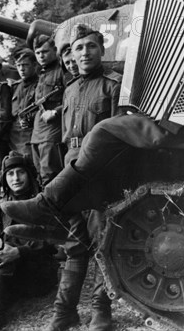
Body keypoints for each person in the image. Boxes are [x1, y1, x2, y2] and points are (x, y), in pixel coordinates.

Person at [1, 0, 184, 243]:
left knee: (102, 134)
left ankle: (47, 206)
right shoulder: (176, 8)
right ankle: (53, 218)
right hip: (174, 116)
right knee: (105, 153)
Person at [50, 25, 121, 331]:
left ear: (101, 50)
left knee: (102, 239)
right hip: (70, 166)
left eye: (91, 46)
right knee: (73, 240)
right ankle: (64, 311)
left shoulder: (113, 86)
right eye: (78, 48)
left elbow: (121, 134)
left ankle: (100, 309)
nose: (84, 52)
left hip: (100, 170)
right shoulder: (69, 89)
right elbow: (66, 137)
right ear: (72, 54)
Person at [0, 152, 58, 331]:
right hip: (6, 274)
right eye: (10, 174)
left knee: (2, 273)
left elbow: (51, 240)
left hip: (37, 273)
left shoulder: (43, 203)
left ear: (29, 174)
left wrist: (18, 252)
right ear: (4, 179)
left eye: (20, 172)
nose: (15, 178)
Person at [30, 35, 66, 186]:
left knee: (51, 174)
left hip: (53, 128)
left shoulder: (62, 71)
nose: (41, 56)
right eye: (38, 53)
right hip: (37, 131)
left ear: (55, 50)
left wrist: (56, 112)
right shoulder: (42, 74)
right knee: (39, 173)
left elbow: (73, 98)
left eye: (44, 51)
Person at [8, 48, 39, 158]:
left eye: (25, 65)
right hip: (12, 139)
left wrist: (31, 119)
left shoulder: (40, 85)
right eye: (18, 65)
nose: (21, 69)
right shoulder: (14, 87)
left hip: (31, 135)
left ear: (34, 65)